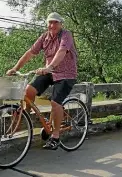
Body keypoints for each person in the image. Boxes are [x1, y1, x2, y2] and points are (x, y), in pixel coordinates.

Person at [6, 12, 78, 150]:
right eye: (50, 22)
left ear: (61, 24)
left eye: (56, 22)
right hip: (49, 71)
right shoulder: (44, 37)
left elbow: (61, 52)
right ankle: (27, 114)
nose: (52, 25)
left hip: (66, 74)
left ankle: (55, 137)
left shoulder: (66, 35)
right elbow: (30, 53)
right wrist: (15, 68)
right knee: (28, 90)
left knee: (55, 103)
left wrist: (50, 66)